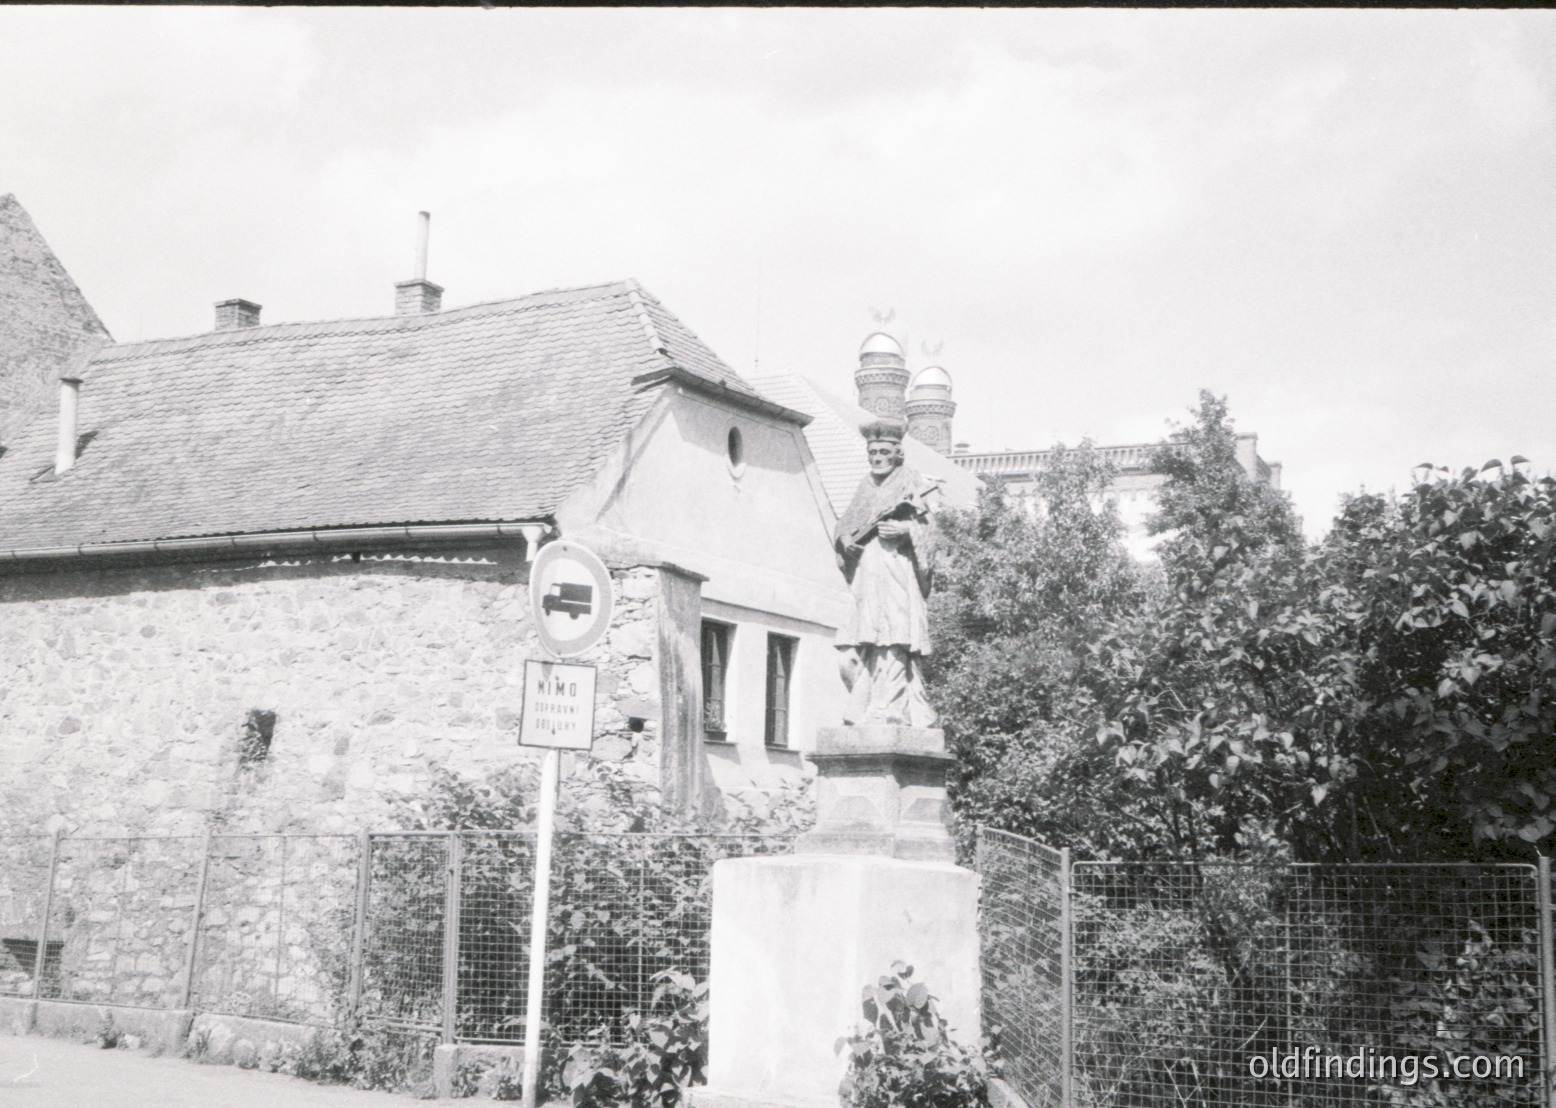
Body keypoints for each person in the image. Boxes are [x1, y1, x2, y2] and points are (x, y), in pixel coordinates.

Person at [833, 418, 939, 727]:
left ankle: (891, 709)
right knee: (858, 644)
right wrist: (845, 541)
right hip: (867, 573)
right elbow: (845, 523)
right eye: (872, 453)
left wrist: (905, 530)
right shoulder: (865, 485)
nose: (877, 458)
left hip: (896, 570)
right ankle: (865, 706)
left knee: (894, 639)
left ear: (897, 453)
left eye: (884, 452)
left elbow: (930, 529)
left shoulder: (911, 480)